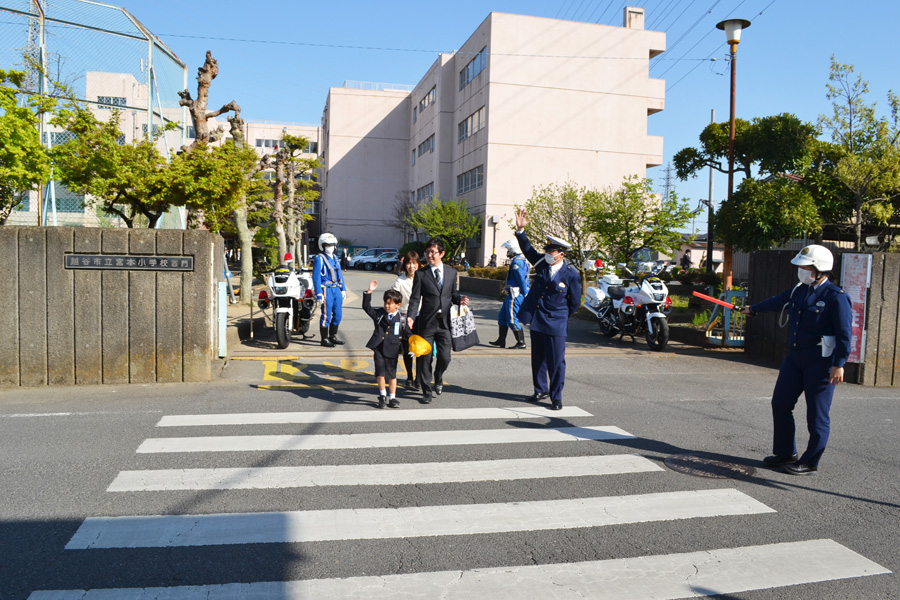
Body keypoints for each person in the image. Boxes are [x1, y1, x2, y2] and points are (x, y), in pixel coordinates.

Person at [741, 244, 852, 475]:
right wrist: (754, 309)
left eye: (805, 266)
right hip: (794, 358)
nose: (801, 270)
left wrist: (839, 364)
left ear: (820, 269)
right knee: (780, 404)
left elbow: (844, 334)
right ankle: (785, 453)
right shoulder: (799, 290)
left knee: (816, 415)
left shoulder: (836, 297)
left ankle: (810, 461)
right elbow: (778, 301)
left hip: (821, 363)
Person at [513, 208, 582, 411]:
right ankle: (540, 389)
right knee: (538, 358)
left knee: (557, 361)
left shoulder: (571, 274)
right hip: (538, 318)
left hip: (557, 321)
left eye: (551, 251)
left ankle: (556, 396)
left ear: (561, 254)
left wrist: (561, 315)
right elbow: (527, 250)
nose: (547, 254)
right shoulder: (542, 264)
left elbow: (575, 302)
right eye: (547, 250)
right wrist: (520, 231)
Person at [406, 238, 469, 404]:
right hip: (427, 322)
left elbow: (453, 294)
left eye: (432, 252)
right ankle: (426, 391)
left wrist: (460, 299)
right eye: (427, 252)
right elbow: (414, 298)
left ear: (442, 253)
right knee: (425, 358)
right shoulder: (421, 274)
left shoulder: (451, 273)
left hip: (445, 323)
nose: (429, 255)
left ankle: (438, 377)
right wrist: (411, 316)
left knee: (445, 357)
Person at [362, 281, 409, 409]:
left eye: (390, 303)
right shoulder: (379, 314)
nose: (386, 306)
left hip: (393, 349)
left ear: (398, 305)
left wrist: (412, 347)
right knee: (380, 374)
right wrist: (369, 292)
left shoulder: (402, 319)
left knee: (392, 375)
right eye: (385, 303)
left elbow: (408, 335)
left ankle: (392, 397)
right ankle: (382, 395)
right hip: (378, 347)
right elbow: (367, 307)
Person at [489, 238, 530, 349]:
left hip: (515, 294)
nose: (508, 252)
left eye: (508, 249)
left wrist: (524, 292)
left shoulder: (517, 261)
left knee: (512, 319)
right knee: (502, 317)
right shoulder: (520, 260)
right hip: (511, 294)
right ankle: (501, 340)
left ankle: (521, 342)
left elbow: (521, 279)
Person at [391, 251, 422, 389]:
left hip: (421, 317)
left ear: (418, 264)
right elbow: (394, 296)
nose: (411, 266)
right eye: (409, 263)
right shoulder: (400, 280)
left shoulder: (423, 278)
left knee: (421, 349)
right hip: (404, 317)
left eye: (414, 263)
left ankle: (419, 377)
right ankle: (409, 376)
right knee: (407, 349)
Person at [312, 232, 348, 347]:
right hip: (326, 289)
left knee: (338, 314)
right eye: (327, 245)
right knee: (326, 315)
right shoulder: (319, 259)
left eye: (332, 245)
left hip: (336, 288)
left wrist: (343, 288)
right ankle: (324, 339)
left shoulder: (336, 258)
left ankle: (332, 336)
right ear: (322, 246)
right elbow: (316, 277)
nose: (330, 247)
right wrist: (318, 293)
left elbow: (340, 274)